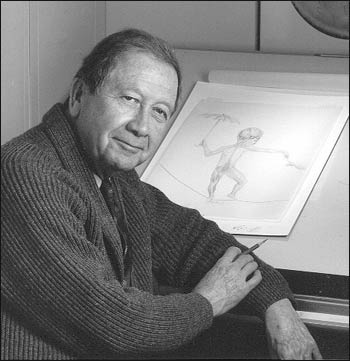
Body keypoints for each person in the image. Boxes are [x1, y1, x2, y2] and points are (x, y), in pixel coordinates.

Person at [1, 28, 322, 360]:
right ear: (79, 95)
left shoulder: (117, 180)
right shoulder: (26, 174)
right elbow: (116, 325)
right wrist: (209, 302)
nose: (141, 126)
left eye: (159, 112)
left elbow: (197, 242)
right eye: (129, 99)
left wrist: (276, 305)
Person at [198, 127, 304, 200]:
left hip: (229, 168)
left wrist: (280, 151)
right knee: (214, 182)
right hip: (221, 168)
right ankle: (211, 197)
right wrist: (204, 145)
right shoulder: (234, 147)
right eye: (254, 140)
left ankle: (231, 194)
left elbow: (265, 150)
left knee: (242, 181)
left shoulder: (241, 147)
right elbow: (209, 153)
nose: (254, 142)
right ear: (246, 139)